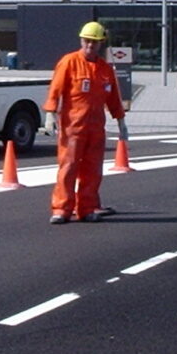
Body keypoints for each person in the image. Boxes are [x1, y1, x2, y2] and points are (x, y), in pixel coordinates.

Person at [41, 21, 128, 224]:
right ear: (81, 40)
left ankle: (87, 208)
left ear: (100, 44)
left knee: (92, 170)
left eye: (95, 42)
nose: (90, 46)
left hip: (96, 128)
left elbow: (114, 98)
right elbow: (56, 89)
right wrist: (50, 114)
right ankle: (61, 209)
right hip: (73, 127)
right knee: (68, 168)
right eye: (87, 41)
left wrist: (122, 123)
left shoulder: (105, 69)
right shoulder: (69, 62)